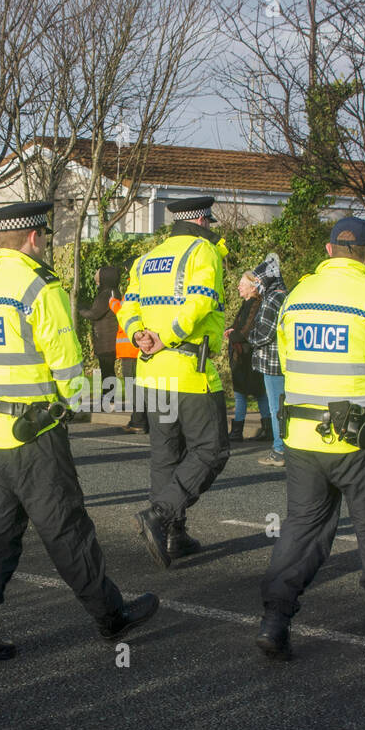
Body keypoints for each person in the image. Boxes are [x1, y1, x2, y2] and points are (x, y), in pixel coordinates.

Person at [0, 200, 158, 666]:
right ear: (33, 238)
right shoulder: (39, 286)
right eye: (44, 236)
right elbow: (67, 369)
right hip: (34, 436)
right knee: (66, 529)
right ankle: (111, 617)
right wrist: (86, 400)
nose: (44, 242)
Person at [256, 217, 365, 659]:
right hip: (358, 439)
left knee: (302, 528)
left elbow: (286, 361)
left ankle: (275, 618)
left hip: (302, 437)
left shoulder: (297, 296)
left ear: (328, 251)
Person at [122, 196, 231, 568]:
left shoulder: (147, 258)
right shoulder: (204, 251)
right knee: (211, 450)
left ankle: (173, 537)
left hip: (151, 372)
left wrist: (140, 336)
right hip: (188, 369)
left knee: (165, 455)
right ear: (202, 220)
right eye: (210, 223)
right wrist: (166, 336)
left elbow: (129, 307)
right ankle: (161, 516)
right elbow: (199, 303)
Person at [248, 254, 288, 466]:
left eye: (258, 281)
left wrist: (249, 338)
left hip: (272, 362)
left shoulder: (273, 298)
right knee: (282, 406)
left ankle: (279, 450)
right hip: (280, 360)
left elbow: (265, 332)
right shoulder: (282, 294)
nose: (256, 285)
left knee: (276, 408)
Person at [226, 272, 269, 442]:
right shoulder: (248, 304)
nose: (238, 287)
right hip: (244, 356)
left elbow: (246, 329)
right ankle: (266, 428)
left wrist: (232, 334)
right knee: (253, 393)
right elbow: (240, 326)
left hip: (248, 356)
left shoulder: (254, 304)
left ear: (252, 288)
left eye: (242, 284)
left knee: (247, 393)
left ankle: (239, 430)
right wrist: (232, 331)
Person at [78, 265, 124, 412]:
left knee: (108, 370)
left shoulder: (107, 294)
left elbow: (94, 313)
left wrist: (79, 308)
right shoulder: (108, 292)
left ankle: (108, 399)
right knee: (107, 370)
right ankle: (108, 398)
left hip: (107, 338)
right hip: (105, 338)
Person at [109, 284, 149, 434]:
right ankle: (140, 419)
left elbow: (124, 312)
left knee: (133, 388)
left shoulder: (134, 289)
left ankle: (138, 421)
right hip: (138, 348)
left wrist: (113, 302)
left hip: (130, 348)